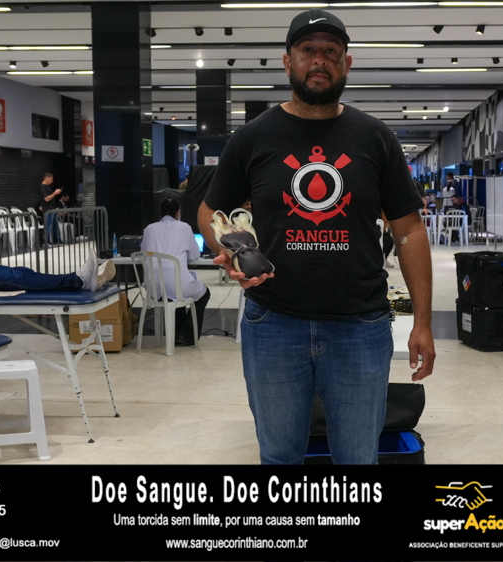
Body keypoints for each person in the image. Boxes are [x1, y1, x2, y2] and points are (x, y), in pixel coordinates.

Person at [198, 8, 435, 465]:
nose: (319, 60)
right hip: (273, 323)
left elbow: (408, 230)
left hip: (360, 326)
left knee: (358, 460)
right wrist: (228, 250)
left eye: (331, 51)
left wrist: (422, 322)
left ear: (347, 63)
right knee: (279, 457)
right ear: (288, 62)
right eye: (308, 50)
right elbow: (211, 210)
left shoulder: (376, 138)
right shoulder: (252, 139)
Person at [142, 197, 211, 346]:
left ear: (160, 212)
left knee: (174, 295)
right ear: (178, 212)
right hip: (177, 285)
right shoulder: (184, 227)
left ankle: (176, 333)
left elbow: (143, 253)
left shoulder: (148, 229)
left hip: (153, 288)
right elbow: (194, 255)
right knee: (203, 294)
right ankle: (186, 335)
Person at [38, 173, 63, 245]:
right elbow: (47, 199)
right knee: (48, 226)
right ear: (46, 178)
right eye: (51, 180)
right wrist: (55, 193)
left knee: (55, 226)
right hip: (48, 209)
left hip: (53, 208)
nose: (52, 181)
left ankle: (57, 240)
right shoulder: (42, 187)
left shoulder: (48, 187)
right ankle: (47, 241)